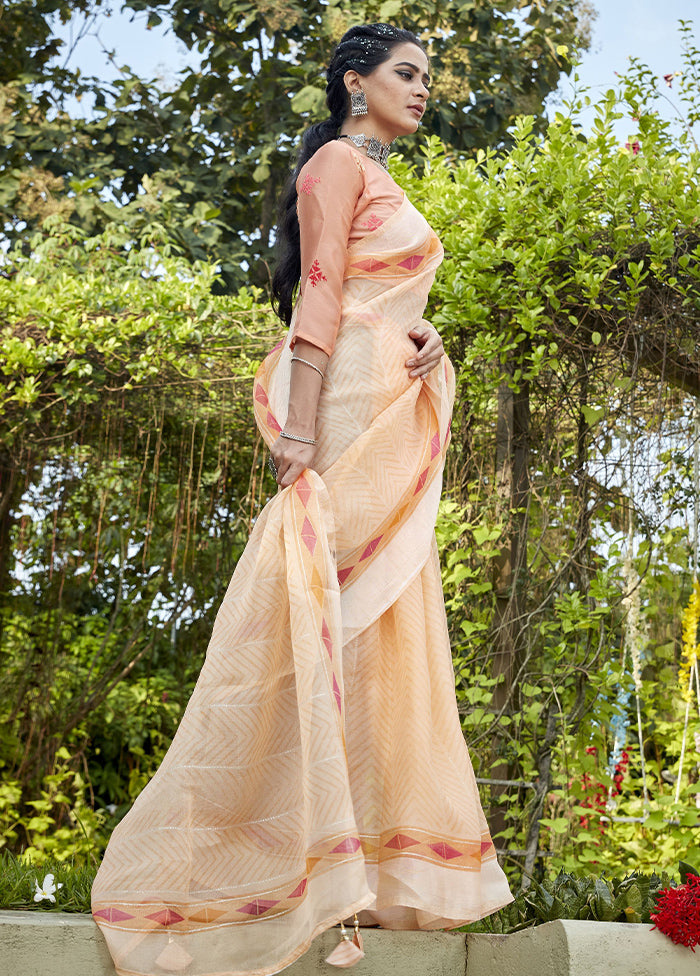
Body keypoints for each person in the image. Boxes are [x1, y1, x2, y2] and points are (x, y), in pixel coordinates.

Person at [92, 23, 513, 976]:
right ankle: (254, 865)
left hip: (387, 393)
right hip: (347, 408)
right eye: (408, 74)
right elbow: (319, 295)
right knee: (316, 618)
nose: (424, 89)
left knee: (380, 628)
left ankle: (354, 876)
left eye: (429, 77)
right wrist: (298, 433)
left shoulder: (379, 172)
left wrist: (429, 339)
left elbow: (377, 292)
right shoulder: (333, 161)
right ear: (354, 83)